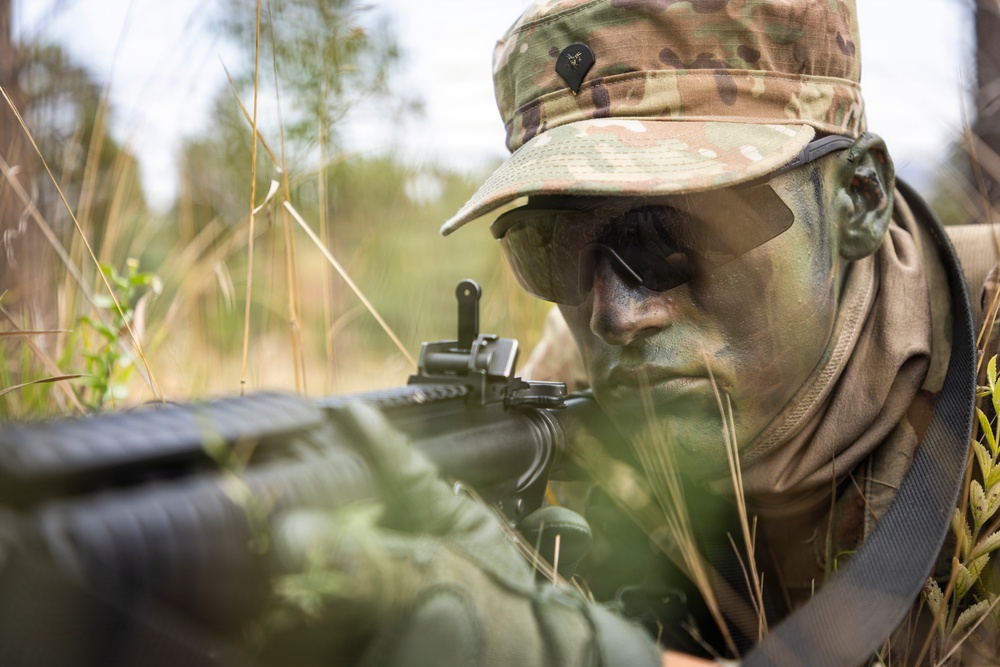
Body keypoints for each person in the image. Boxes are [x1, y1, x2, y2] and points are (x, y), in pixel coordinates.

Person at [276, 1, 999, 665]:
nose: (615, 315)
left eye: (668, 238)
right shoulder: (561, 391)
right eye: (555, 248)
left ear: (859, 199)